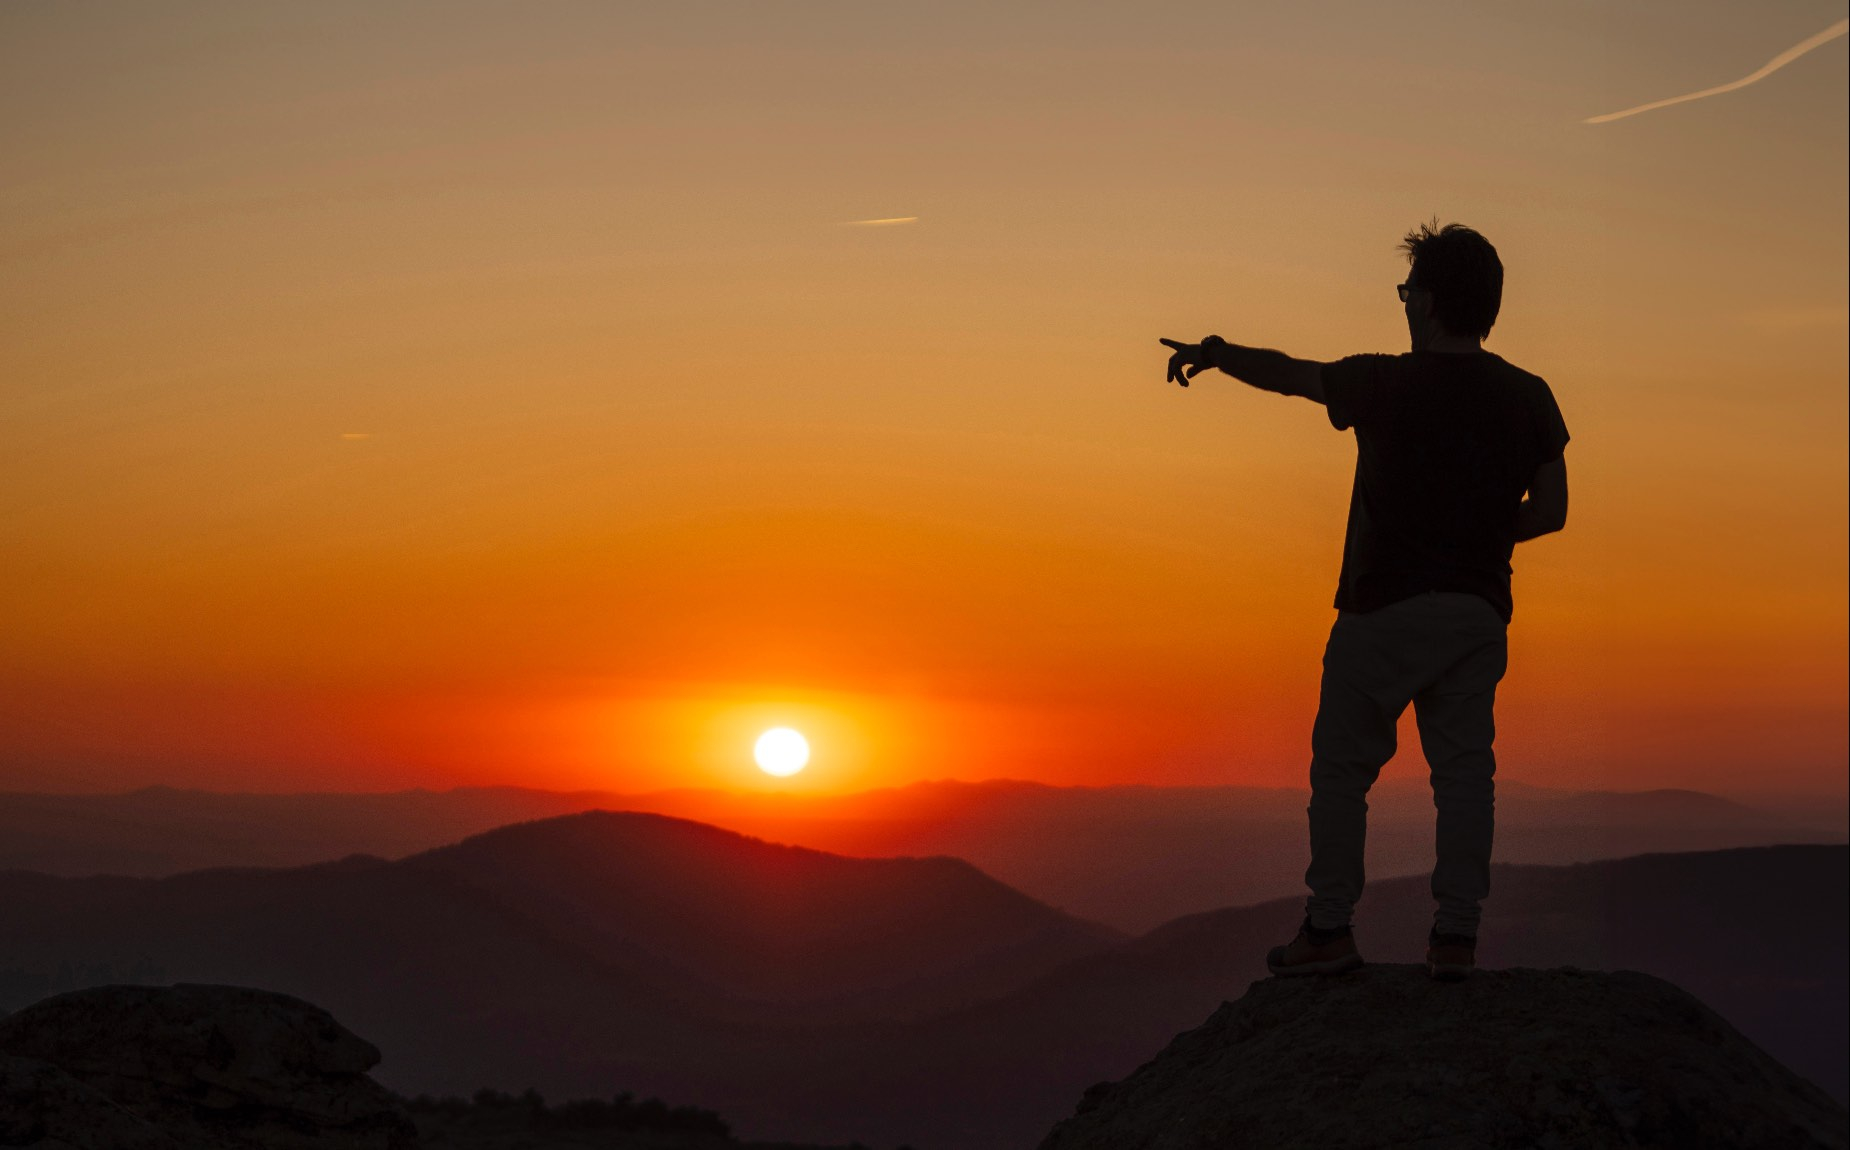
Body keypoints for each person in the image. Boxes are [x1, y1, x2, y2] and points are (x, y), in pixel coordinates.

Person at [1159, 221, 1570, 981]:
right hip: (1477, 613)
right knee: (1464, 774)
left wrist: (1217, 355)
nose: (1405, 303)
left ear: (1432, 301)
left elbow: (1289, 374)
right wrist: (1477, 540)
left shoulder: (1383, 381)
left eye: (1409, 290)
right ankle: (1455, 939)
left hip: (1382, 607)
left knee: (1343, 771)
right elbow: (1550, 512)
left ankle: (1329, 928)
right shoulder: (1529, 397)